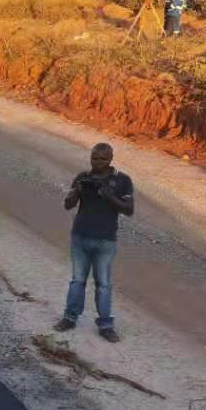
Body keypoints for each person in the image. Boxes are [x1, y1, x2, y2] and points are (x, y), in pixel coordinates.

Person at [54, 143, 135, 341]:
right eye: (94, 158)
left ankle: (106, 325)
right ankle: (70, 317)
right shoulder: (83, 177)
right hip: (80, 236)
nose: (98, 163)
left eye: (102, 159)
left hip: (106, 240)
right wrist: (76, 193)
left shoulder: (122, 180)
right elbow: (67, 205)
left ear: (111, 158)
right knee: (77, 281)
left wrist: (109, 196)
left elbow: (129, 209)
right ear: (90, 158)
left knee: (103, 284)